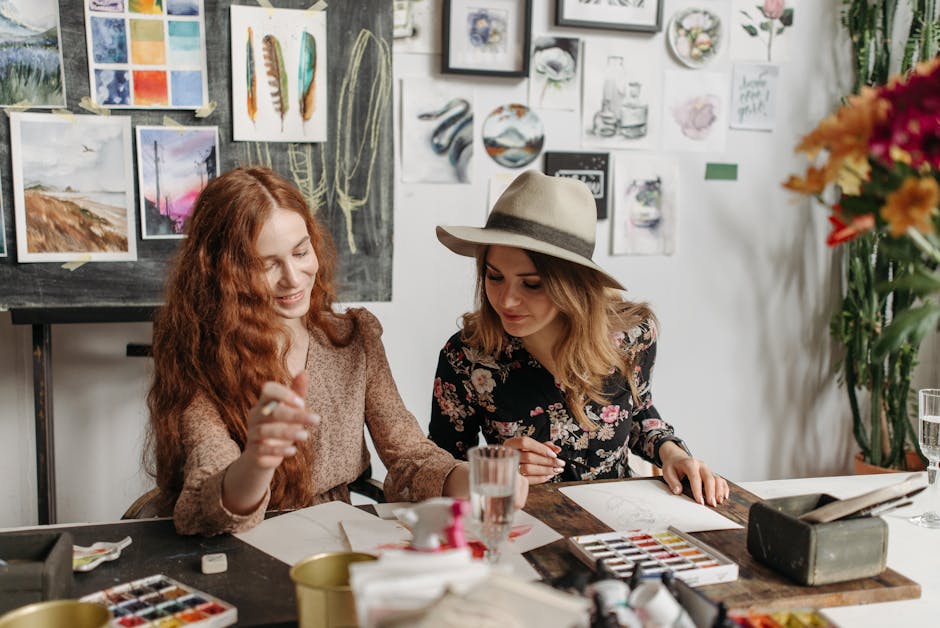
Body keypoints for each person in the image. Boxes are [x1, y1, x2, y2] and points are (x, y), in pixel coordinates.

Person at [146, 166, 485, 536]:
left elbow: (410, 456)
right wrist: (259, 460)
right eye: (266, 264)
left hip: (336, 539)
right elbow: (203, 503)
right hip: (238, 547)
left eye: (300, 251)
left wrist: (476, 481)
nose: (293, 277)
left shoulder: (354, 338)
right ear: (223, 274)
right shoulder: (198, 356)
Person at [429, 170, 729, 507]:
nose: (507, 300)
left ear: (571, 285)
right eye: (494, 276)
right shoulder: (466, 356)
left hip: (617, 522)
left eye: (531, 284)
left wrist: (672, 454)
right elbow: (436, 466)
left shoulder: (632, 336)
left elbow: (639, 413)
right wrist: (493, 466)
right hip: (517, 527)